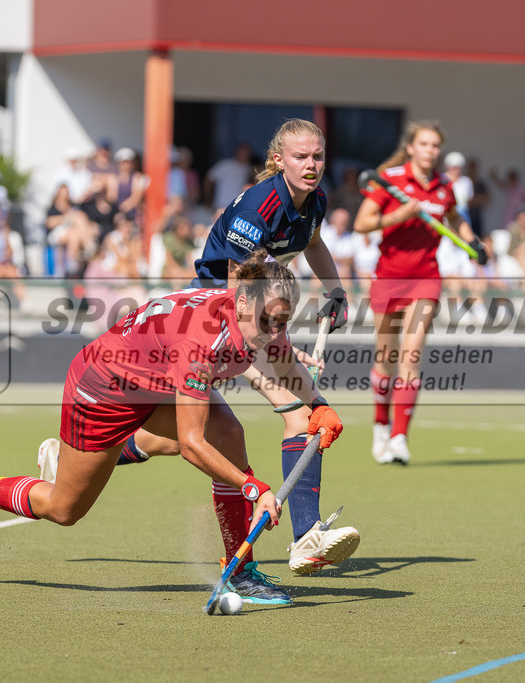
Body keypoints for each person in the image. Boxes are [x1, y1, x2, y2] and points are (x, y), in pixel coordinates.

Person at [0, 251, 343, 605]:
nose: (274, 332)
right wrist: (253, 488)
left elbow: (286, 361)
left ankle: (240, 573)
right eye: (267, 322)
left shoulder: (262, 314)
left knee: (228, 436)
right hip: (102, 389)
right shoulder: (204, 340)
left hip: (153, 382)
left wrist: (319, 406)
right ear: (242, 303)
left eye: (283, 323)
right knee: (63, 509)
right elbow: (192, 445)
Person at [105, 119, 359, 577]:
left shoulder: (314, 202)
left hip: (253, 317)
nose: (312, 165)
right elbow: (239, 296)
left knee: (182, 437)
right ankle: (306, 539)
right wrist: (281, 353)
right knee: (297, 414)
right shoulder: (259, 210)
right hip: (211, 318)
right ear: (279, 160)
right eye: (301, 157)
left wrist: (336, 291)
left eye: (318, 157)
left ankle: (95, 450)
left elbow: (315, 243)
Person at [353, 120, 487, 465]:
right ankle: (381, 425)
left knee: (411, 356)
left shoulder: (445, 186)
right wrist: (399, 214)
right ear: (411, 147)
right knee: (386, 359)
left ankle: (400, 437)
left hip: (426, 278)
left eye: (435, 145)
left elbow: (454, 218)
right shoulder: (391, 180)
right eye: (424, 144)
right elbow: (362, 223)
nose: (430, 151)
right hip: (388, 277)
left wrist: (472, 241)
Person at [205, 142, 253, 210]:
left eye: (247, 153)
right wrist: (208, 199)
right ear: (236, 152)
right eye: (242, 152)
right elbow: (208, 180)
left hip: (236, 207)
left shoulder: (248, 169)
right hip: (220, 205)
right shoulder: (224, 165)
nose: (244, 155)